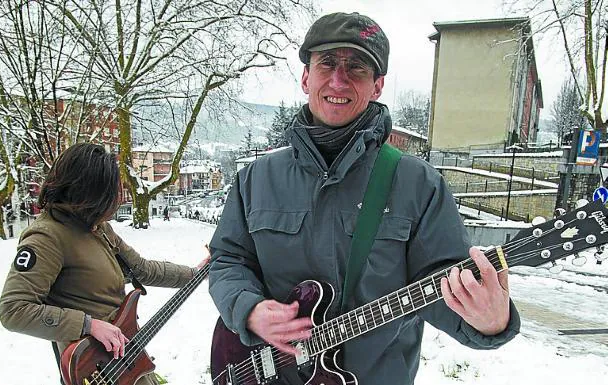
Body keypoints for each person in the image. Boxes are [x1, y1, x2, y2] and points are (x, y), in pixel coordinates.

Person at [208, 12, 520, 385]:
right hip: (263, 373)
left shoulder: (419, 185)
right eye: (327, 63)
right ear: (306, 77)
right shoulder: (255, 180)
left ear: (377, 86)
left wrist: (490, 322)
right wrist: (248, 310)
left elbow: (444, 285)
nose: (339, 79)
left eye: (356, 67)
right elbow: (227, 260)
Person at [0, 143, 210, 385]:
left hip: (126, 360)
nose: (116, 200)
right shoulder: (47, 237)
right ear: (87, 191)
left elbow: (141, 269)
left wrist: (196, 273)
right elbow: (13, 310)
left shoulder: (97, 227)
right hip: (97, 372)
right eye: (109, 192)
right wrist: (88, 325)